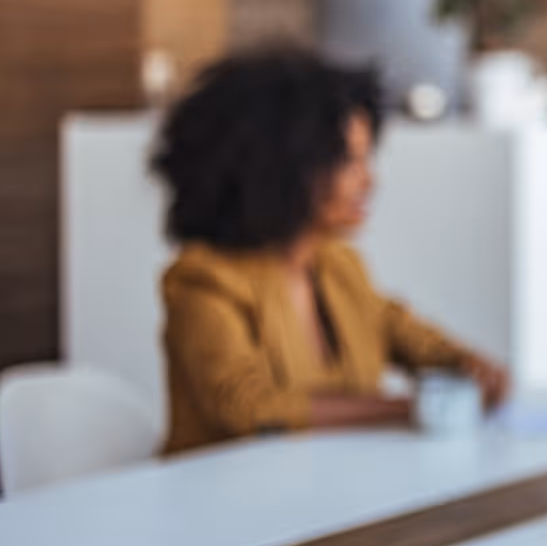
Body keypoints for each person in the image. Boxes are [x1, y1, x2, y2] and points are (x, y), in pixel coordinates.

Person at [153, 47, 508, 455]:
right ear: (282, 168)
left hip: (329, 495)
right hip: (224, 506)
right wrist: (407, 407)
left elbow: (407, 335)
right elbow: (248, 409)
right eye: (348, 163)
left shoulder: (338, 266)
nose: (369, 181)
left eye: (366, 159)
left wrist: (470, 368)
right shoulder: (204, 279)